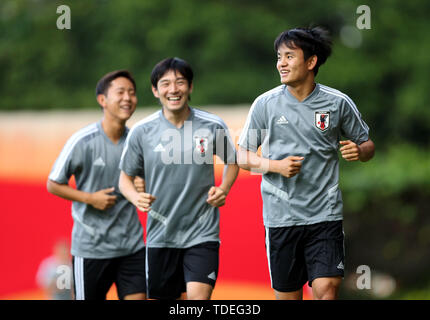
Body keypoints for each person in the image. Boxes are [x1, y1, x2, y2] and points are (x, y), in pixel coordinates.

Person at [237, 27, 375, 300]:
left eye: (289, 56)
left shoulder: (338, 103)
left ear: (311, 62)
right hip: (280, 218)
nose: (281, 63)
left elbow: (368, 145)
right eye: (279, 57)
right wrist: (275, 166)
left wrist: (359, 151)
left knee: (327, 289)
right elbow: (242, 156)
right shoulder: (265, 104)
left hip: (325, 215)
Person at [119, 57, 239, 300]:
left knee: (197, 300)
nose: (173, 89)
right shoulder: (142, 131)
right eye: (165, 84)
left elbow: (232, 162)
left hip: (202, 234)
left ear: (190, 87)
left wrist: (224, 188)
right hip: (160, 236)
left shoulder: (212, 125)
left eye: (180, 82)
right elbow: (124, 178)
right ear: (155, 90)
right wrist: (136, 197)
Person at [47, 70, 147, 300]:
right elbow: (53, 183)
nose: (127, 98)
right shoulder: (83, 141)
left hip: (131, 247)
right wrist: (90, 198)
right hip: (91, 249)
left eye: (132, 93)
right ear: (102, 100)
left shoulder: (138, 143)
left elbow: (146, 186)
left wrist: (142, 186)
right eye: (120, 92)